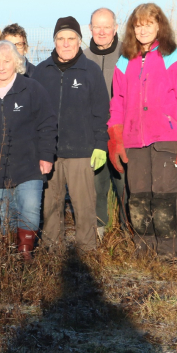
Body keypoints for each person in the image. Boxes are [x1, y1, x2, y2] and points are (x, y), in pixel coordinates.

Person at [108, 3, 177, 258]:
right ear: (132, 29)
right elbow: (118, 101)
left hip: (167, 138)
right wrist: (116, 137)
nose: (143, 29)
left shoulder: (174, 57)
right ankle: (144, 251)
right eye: (138, 25)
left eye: (148, 24)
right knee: (138, 198)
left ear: (159, 26)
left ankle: (168, 253)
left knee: (164, 198)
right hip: (134, 140)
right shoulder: (124, 61)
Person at [0, 41, 56, 259]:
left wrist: (46, 156)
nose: (1, 66)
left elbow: (47, 123)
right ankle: (10, 255)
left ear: (16, 62)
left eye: (7, 61)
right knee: (6, 213)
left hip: (29, 164)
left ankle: (25, 254)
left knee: (29, 210)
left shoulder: (32, 88)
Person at [33, 17, 109, 252]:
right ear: (54, 41)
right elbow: (32, 113)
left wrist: (100, 145)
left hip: (82, 151)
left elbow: (101, 112)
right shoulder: (40, 72)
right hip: (48, 152)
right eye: (61, 39)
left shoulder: (91, 71)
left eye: (71, 39)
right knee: (50, 204)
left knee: (84, 204)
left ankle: (87, 250)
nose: (66, 44)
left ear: (79, 41)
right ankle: (51, 250)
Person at [82, 7, 130, 238]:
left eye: (106, 26)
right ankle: (97, 233)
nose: (101, 32)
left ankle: (129, 231)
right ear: (89, 28)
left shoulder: (128, 54)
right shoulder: (81, 57)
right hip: (92, 133)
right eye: (97, 26)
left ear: (115, 28)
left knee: (124, 185)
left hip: (123, 133)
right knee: (96, 186)